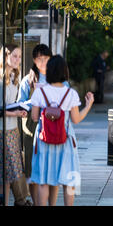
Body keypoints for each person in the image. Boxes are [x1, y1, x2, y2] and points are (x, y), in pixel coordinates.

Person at [30, 55, 94, 206]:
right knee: (70, 180)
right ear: (64, 71)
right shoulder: (70, 93)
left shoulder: (40, 92)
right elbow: (76, 119)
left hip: (44, 140)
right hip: (66, 140)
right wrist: (88, 105)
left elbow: (33, 117)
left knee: (43, 181)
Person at [15, 44, 53, 205]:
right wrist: (35, 99)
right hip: (31, 126)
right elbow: (19, 104)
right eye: (39, 59)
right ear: (34, 60)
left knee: (49, 167)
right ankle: (37, 202)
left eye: (45, 58)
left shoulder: (55, 77)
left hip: (51, 126)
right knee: (31, 166)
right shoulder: (28, 80)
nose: (42, 62)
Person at [0, 44, 28, 206]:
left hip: (13, 130)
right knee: (6, 170)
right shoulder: (1, 81)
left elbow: (11, 104)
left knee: (14, 169)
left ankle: (20, 200)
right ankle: (19, 201)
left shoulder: (14, 78)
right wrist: (15, 113)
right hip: (2, 131)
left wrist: (20, 110)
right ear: (6, 57)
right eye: (15, 56)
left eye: (19, 56)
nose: (18, 59)